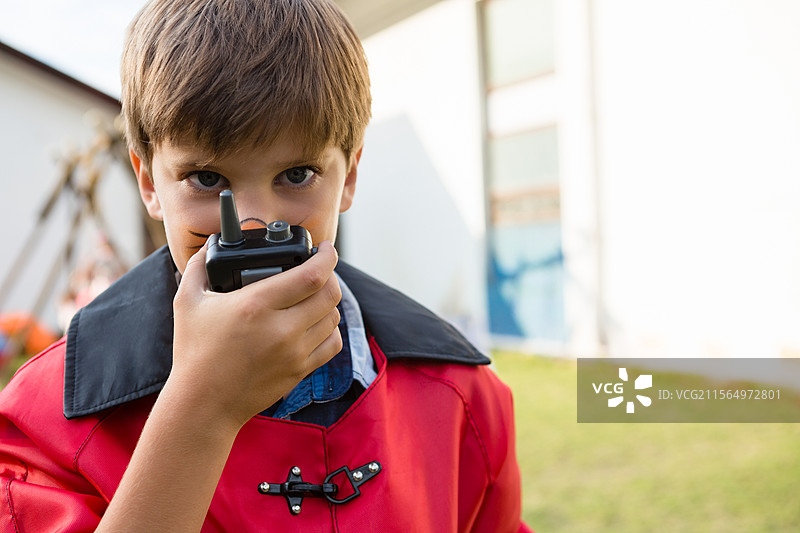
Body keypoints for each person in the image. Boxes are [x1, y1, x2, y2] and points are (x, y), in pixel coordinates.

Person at [0, 1, 531, 531]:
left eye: (296, 174)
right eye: (208, 179)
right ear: (148, 183)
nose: (255, 222)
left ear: (348, 176)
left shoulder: (462, 398)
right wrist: (202, 409)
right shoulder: (43, 428)